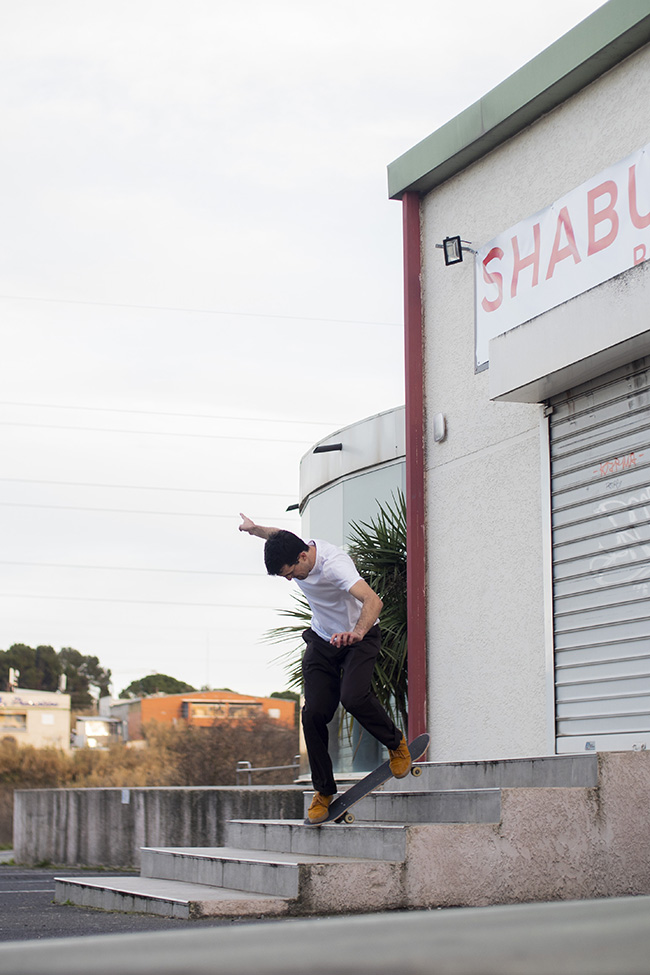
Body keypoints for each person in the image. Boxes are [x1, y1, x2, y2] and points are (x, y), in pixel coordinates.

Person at [239, 513, 411, 824]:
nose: (292, 580)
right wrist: (256, 531)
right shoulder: (295, 548)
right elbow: (279, 535)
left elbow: (373, 601)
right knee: (313, 713)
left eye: (293, 573)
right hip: (322, 639)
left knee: (354, 697)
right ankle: (324, 790)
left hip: (359, 635)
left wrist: (357, 633)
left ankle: (396, 743)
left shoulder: (335, 565)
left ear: (304, 557)